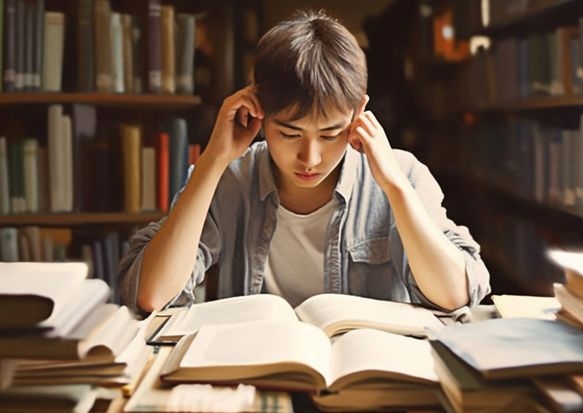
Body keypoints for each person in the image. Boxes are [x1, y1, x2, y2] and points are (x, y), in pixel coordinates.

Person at [118, 9, 490, 316]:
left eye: (330, 135)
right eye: (290, 134)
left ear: (359, 112)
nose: (310, 159)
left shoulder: (403, 173)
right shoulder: (230, 178)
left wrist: (394, 188)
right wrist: (213, 161)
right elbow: (151, 296)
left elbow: (454, 295)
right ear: (259, 112)